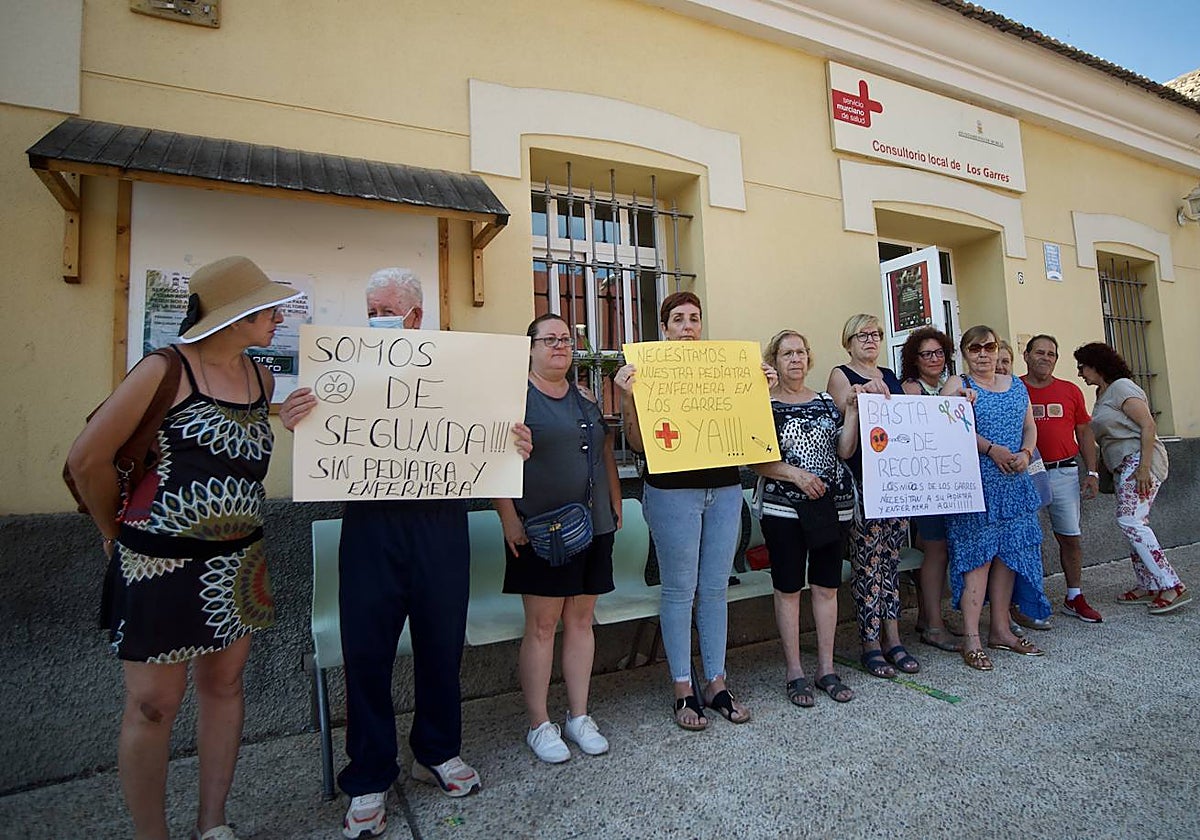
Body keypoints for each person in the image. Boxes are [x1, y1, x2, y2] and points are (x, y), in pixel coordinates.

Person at [280, 268, 532, 838]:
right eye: (370, 309)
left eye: (387, 309)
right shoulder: (343, 365)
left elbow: (491, 436)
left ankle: (437, 751)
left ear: (416, 315)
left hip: (441, 523)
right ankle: (369, 774)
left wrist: (515, 444)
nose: (376, 318)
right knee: (365, 650)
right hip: (369, 525)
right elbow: (328, 441)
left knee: (442, 642)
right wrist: (301, 422)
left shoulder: (459, 366)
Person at [67, 256, 302, 840]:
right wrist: (111, 532)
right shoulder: (163, 371)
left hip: (238, 563)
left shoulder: (262, 380)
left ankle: (212, 823)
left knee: (224, 687)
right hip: (157, 564)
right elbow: (87, 460)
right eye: (266, 307)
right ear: (235, 313)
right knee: (153, 706)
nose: (277, 316)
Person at [614, 291, 769, 730]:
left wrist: (760, 386)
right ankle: (683, 686)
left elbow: (749, 427)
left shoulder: (721, 371)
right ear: (664, 329)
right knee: (680, 590)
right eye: (678, 319)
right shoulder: (649, 373)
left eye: (694, 319)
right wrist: (627, 396)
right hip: (671, 492)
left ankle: (717, 682)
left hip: (722, 489)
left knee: (716, 588)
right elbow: (640, 442)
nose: (687, 326)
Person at [494, 314, 622, 763]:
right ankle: (538, 723)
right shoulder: (516, 398)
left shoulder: (585, 397)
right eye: (548, 339)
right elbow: (495, 460)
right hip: (541, 529)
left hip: (593, 525)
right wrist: (508, 518)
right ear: (529, 348)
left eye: (565, 339)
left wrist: (615, 498)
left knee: (582, 620)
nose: (558, 346)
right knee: (543, 625)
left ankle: (579, 715)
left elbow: (604, 450)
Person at [752, 330, 857, 705]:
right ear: (774, 361)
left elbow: (844, 450)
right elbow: (755, 459)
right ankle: (795, 670)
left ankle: (826, 668)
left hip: (831, 508)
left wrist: (855, 411)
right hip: (784, 510)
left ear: (808, 359)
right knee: (789, 588)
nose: (795, 359)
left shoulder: (828, 402)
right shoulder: (763, 404)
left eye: (800, 352)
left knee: (827, 586)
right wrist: (797, 475)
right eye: (786, 354)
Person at [942, 325, 1051, 670]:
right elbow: (947, 426)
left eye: (989, 347)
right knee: (979, 561)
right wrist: (992, 450)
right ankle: (971, 638)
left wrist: (1025, 451)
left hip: (1014, 483)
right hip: (977, 484)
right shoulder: (957, 385)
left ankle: (1001, 629)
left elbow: (1029, 424)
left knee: (1008, 558)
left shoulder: (1016, 384)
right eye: (975, 348)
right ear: (965, 353)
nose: (983, 354)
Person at [827, 314, 919, 678]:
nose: (870, 340)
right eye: (861, 335)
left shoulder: (890, 375)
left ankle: (893, 637)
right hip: (864, 483)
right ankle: (869, 642)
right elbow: (841, 418)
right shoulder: (841, 374)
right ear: (848, 341)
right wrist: (858, 395)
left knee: (891, 562)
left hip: (896, 485)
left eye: (875, 334)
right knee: (867, 563)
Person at [1074, 342, 1190, 614]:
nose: (1080, 373)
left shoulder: (1122, 388)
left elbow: (1148, 425)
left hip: (1138, 460)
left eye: (1082, 367)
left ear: (1096, 364)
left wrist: (1143, 468)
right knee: (1133, 524)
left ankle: (1171, 584)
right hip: (1122, 465)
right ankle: (1148, 584)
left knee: (1131, 520)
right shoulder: (1103, 394)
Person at [1019, 334, 1103, 625]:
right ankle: (1024, 602)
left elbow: (1084, 432)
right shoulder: (1014, 388)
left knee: (1070, 538)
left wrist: (1092, 472)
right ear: (1026, 355)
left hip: (1064, 471)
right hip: (1024, 474)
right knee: (1024, 540)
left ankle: (1074, 596)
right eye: (1039, 352)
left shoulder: (1071, 390)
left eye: (1051, 354)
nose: (1045, 358)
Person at [899, 327, 960, 652]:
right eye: (927, 354)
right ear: (915, 359)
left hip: (948, 481)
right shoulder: (911, 389)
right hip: (925, 485)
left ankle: (928, 615)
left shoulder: (949, 385)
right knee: (935, 550)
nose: (934, 359)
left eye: (939, 353)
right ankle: (934, 626)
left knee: (933, 550)